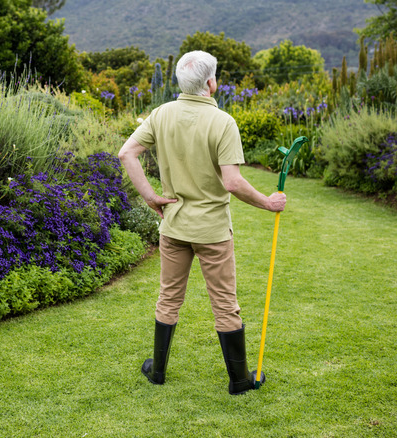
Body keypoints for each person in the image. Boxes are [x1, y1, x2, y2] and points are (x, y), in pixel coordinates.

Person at [117, 50, 286, 395]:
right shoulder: (223, 122)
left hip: (174, 226)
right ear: (211, 83)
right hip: (211, 232)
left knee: (168, 298)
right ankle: (240, 381)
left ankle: (158, 372)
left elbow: (126, 153)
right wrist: (268, 203)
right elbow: (233, 182)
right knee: (225, 303)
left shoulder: (161, 113)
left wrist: (151, 197)